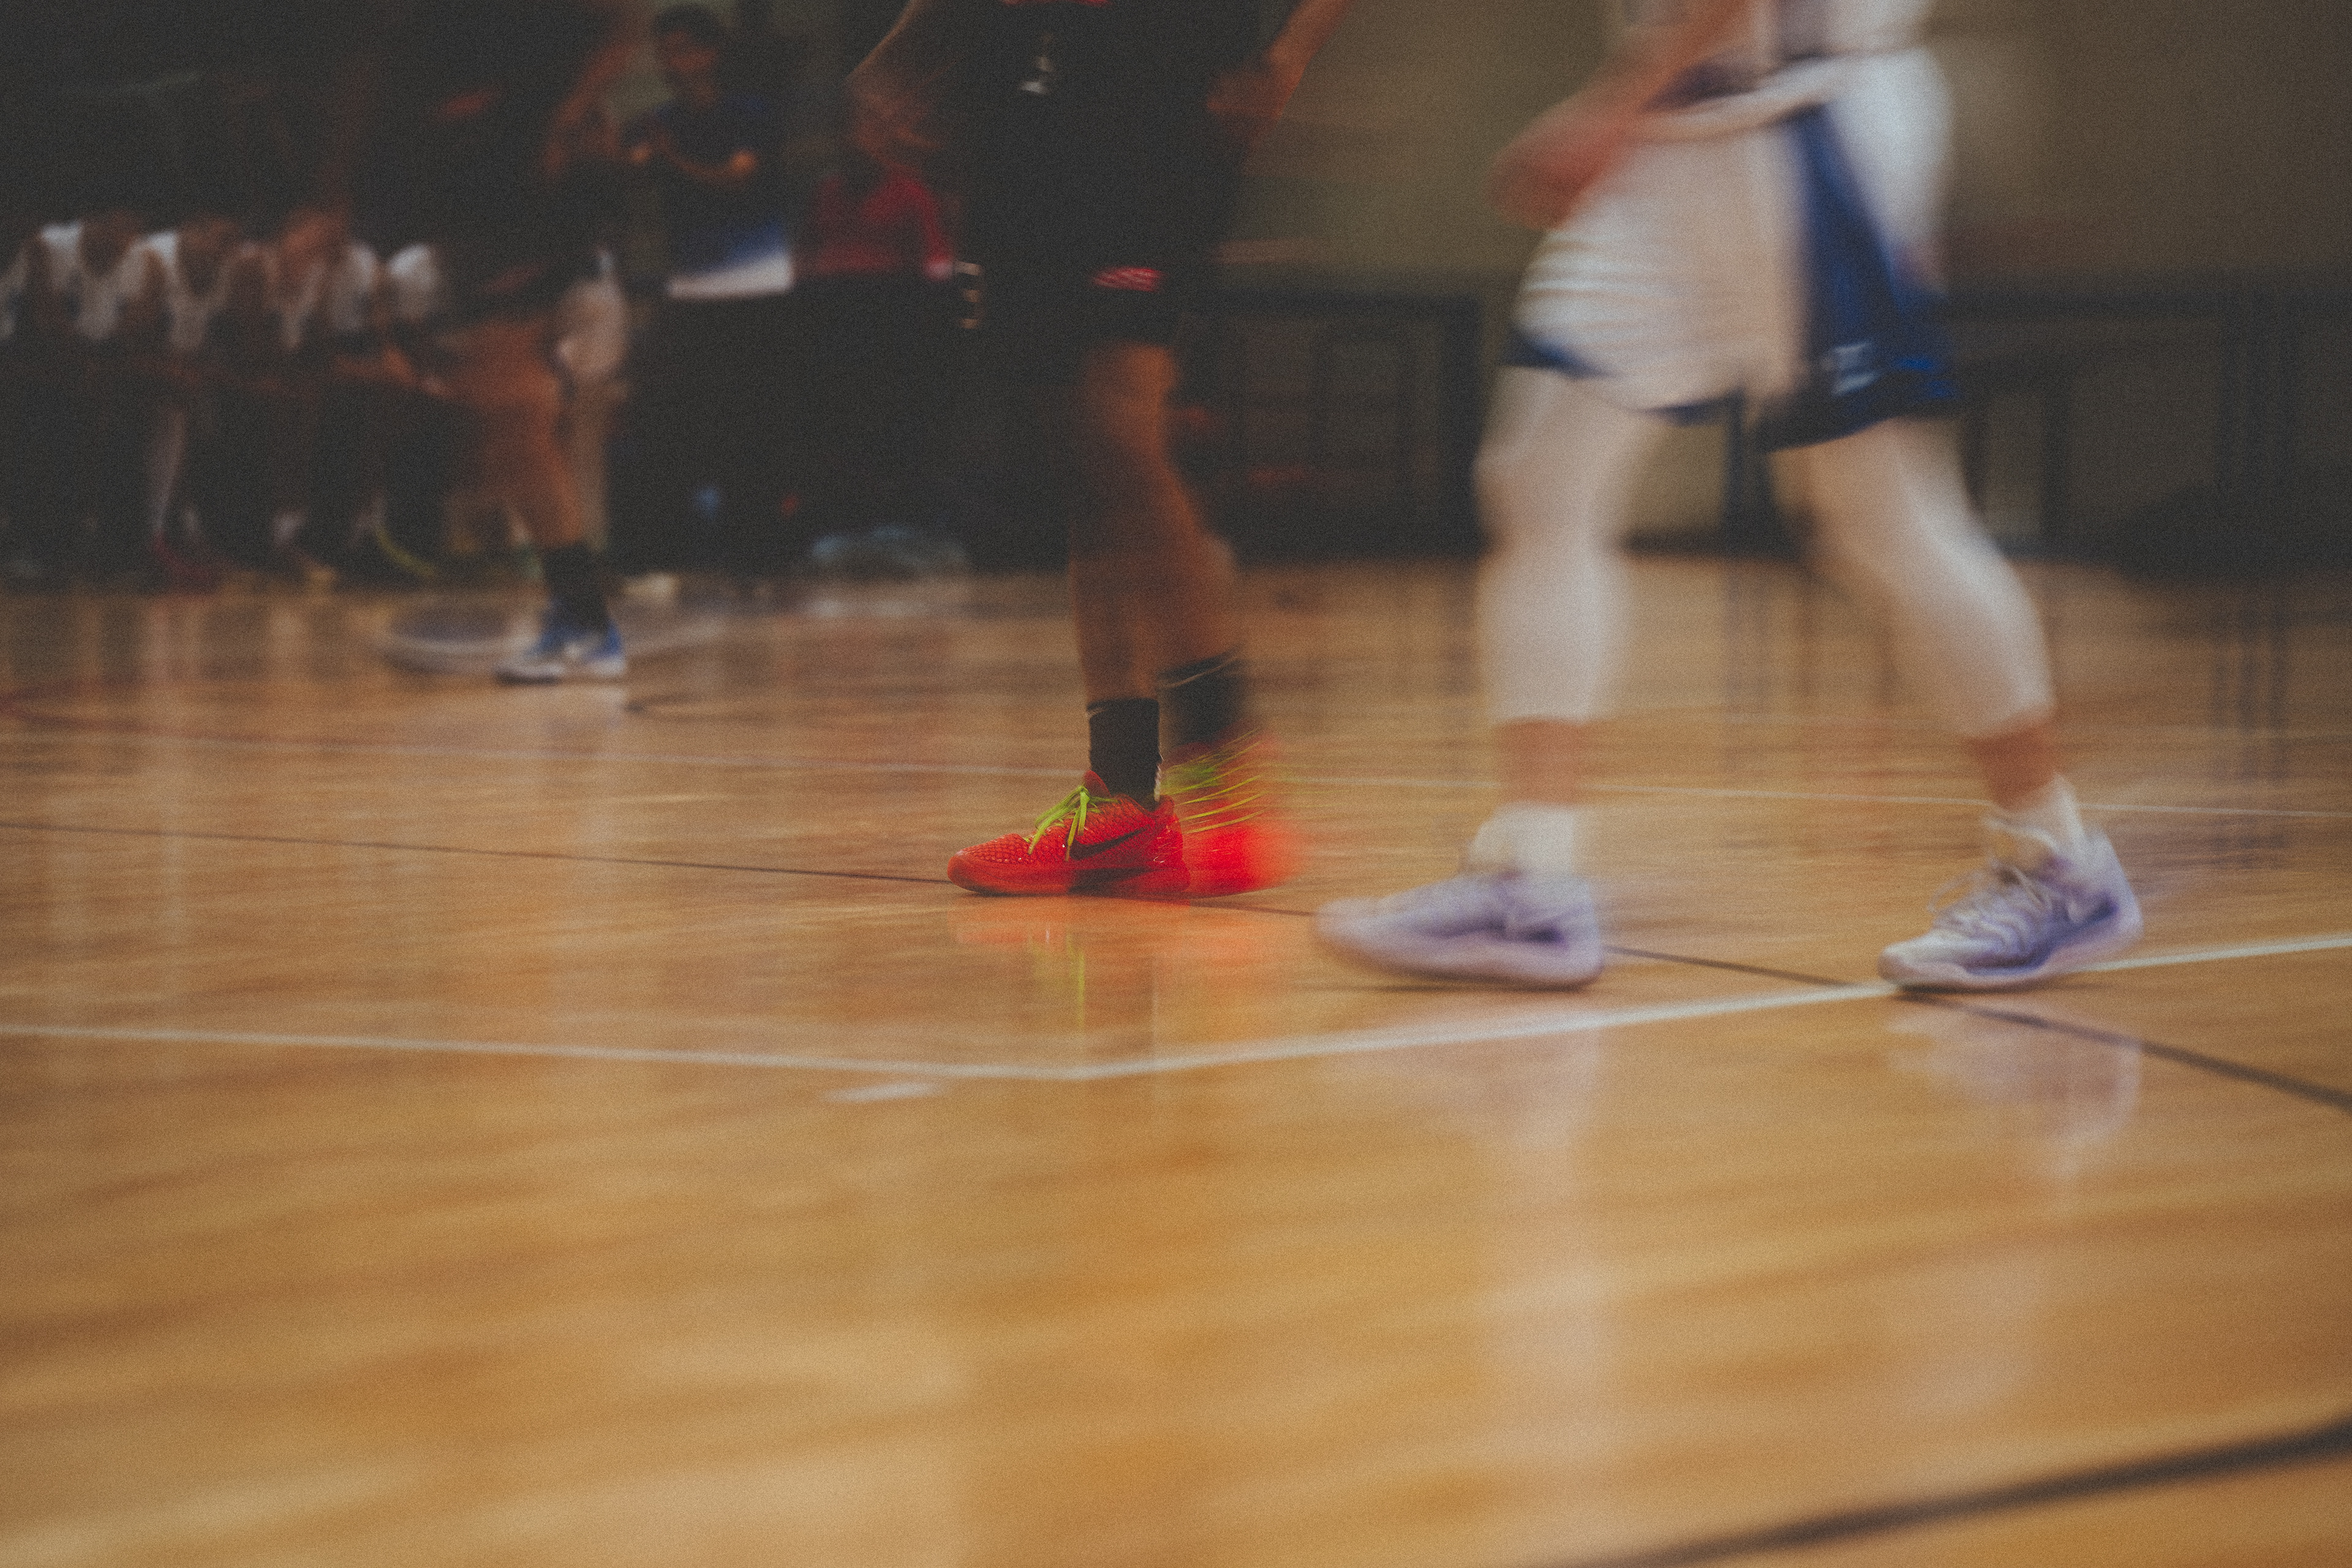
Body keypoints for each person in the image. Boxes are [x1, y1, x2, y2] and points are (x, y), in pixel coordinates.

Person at [1315, 0, 2141, 992]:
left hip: (1803, 124)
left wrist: (1610, 109)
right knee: (1542, 474)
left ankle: (2060, 862)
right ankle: (1530, 880)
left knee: (1881, 517)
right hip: (1683, 143)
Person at [848, 0, 1361, 899]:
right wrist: (900, 54)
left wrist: (1287, 53)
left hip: (1154, 98)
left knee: (1116, 425)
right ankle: (1119, 801)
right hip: (1022, 105)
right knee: (1082, 450)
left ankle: (1224, 759)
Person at [342, 0, 639, 681]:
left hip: (530, 228)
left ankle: (585, 621)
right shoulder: (423, 59)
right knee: (511, 434)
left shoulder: (528, 58)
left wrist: (569, 108)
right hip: (480, 231)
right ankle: (582, 619)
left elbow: (613, 27)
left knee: (517, 425)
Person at [615, 4, 798, 585]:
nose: (670, 62)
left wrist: (668, 155)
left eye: (681, 49)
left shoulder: (749, 113)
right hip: (691, 288)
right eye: (663, 52)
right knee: (675, 421)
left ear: (711, 53)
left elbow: (738, 176)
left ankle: (758, 552)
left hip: (756, 283)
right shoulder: (657, 121)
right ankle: (668, 550)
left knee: (754, 419)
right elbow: (625, 175)